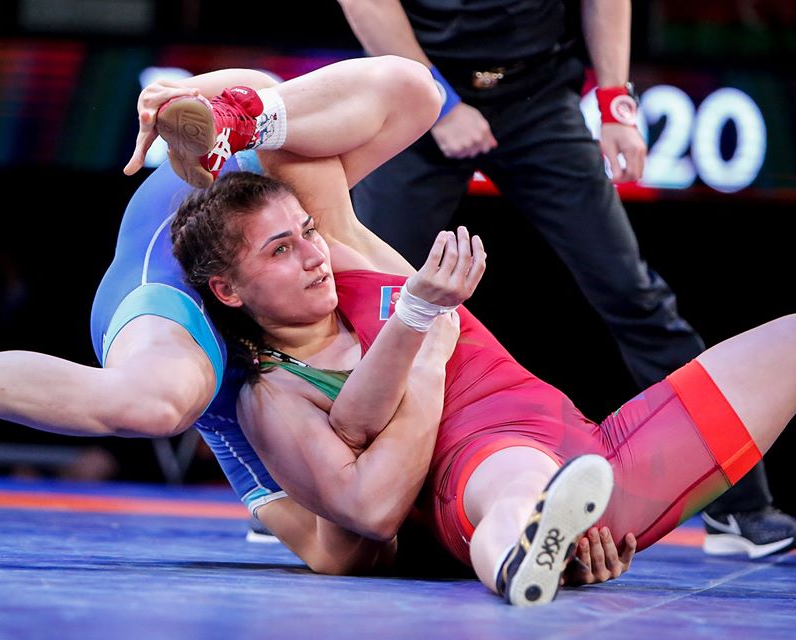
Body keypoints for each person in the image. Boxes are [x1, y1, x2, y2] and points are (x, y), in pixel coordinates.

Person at [0, 57, 630, 591]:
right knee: (415, 95)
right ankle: (230, 113)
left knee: (166, 403)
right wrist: (420, 350)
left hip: (213, 290)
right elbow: (368, 508)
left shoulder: (277, 430)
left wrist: (520, 542)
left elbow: (344, 543)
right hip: (223, 229)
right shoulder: (337, 260)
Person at [167, 128, 796, 605]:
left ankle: (551, 537)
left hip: (601, 455)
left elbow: (396, 94)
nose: (313, 254)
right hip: (481, 460)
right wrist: (420, 339)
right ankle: (523, 557)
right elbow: (368, 504)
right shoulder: (271, 390)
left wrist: (241, 107)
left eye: (308, 230)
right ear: (228, 290)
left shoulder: (348, 261)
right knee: (519, 482)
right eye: (281, 250)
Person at [335, 0, 796, 558]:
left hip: (536, 95)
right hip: (420, 93)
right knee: (362, 297)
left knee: (632, 293)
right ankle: (319, 500)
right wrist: (443, 102)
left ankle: (739, 509)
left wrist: (616, 104)